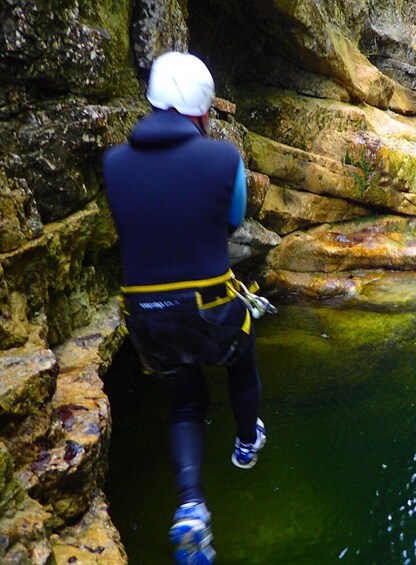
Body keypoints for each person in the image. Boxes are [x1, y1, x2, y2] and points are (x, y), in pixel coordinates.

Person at [103, 51, 266, 565]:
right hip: (211, 311)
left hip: (147, 319)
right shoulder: (222, 159)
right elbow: (234, 218)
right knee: (242, 356)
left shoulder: (114, 163)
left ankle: (192, 506)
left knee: (187, 403)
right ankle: (246, 442)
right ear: (202, 111)